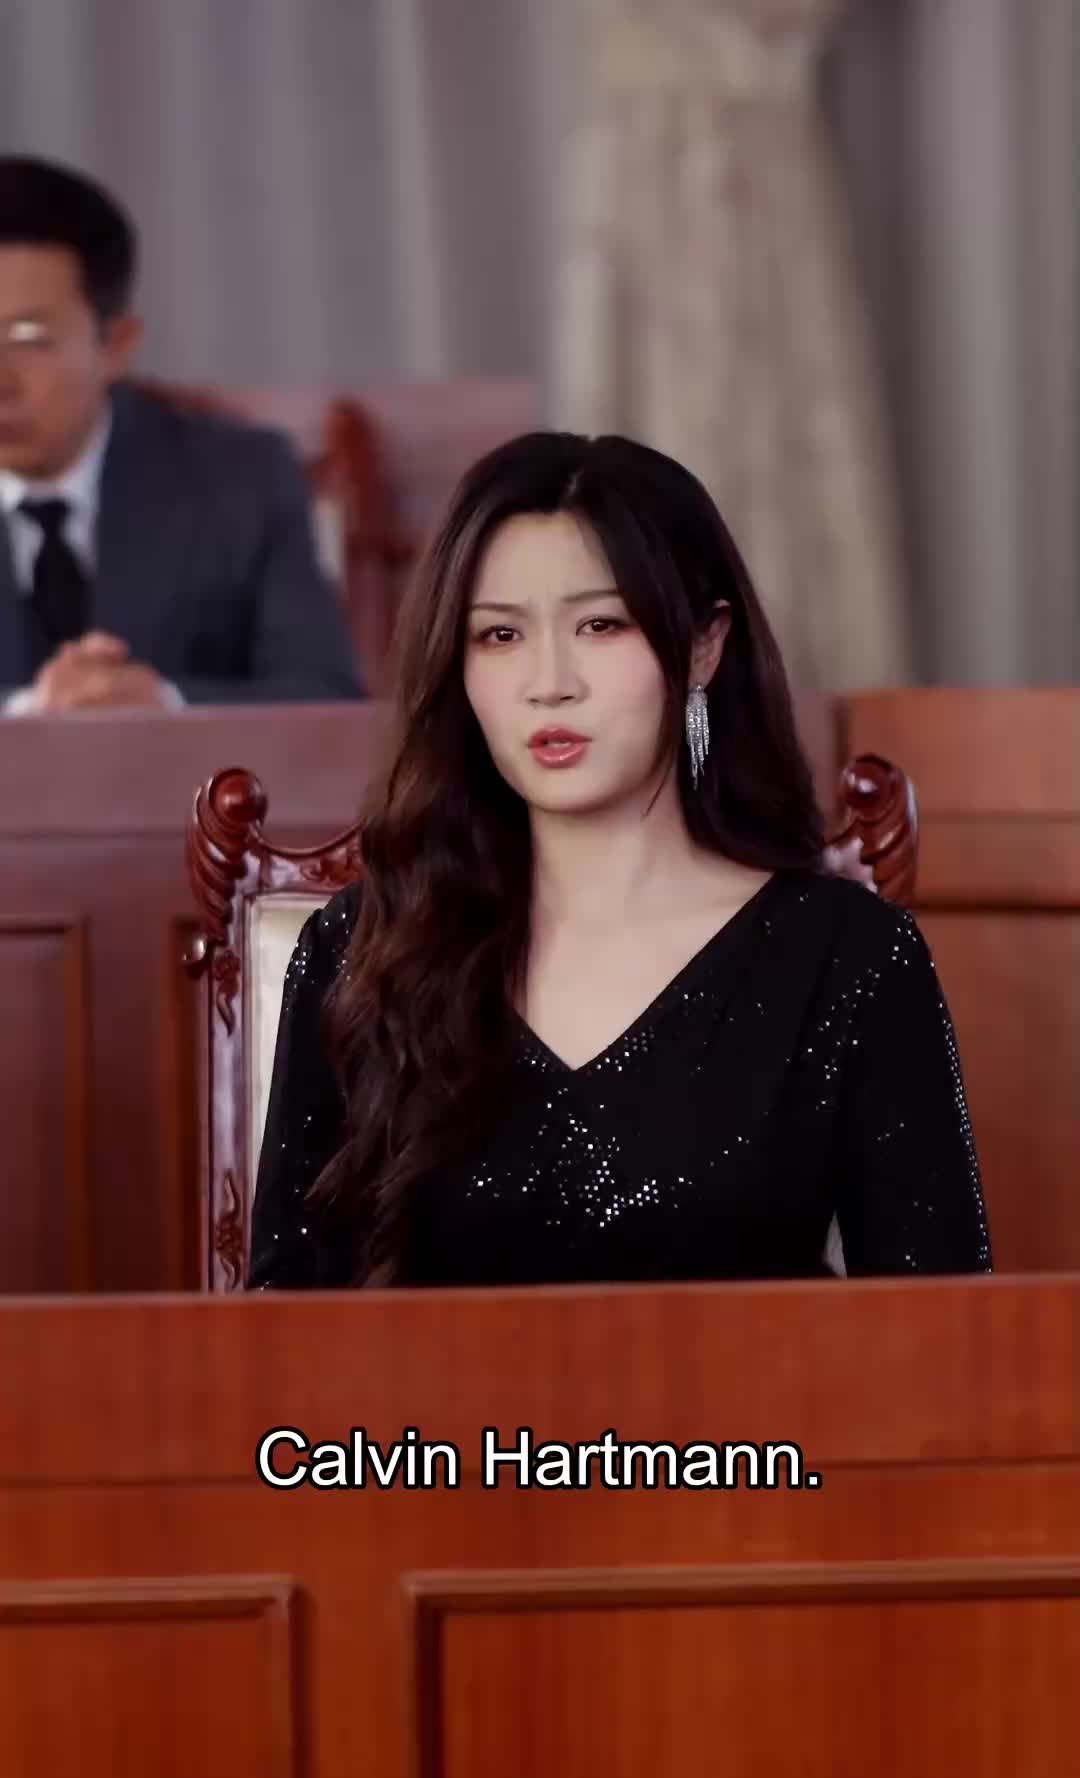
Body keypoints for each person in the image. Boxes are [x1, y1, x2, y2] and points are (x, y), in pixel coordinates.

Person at [248, 431, 991, 1289]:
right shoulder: (360, 953)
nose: (549, 682)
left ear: (704, 644)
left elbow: (943, 1328)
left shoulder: (848, 957)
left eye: (600, 625)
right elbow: (284, 1327)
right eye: (499, 635)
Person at [0, 155, 361, 709]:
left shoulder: (242, 479)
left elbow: (325, 697)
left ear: (116, 344)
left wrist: (163, 702)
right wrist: (28, 713)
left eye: (29, 339)